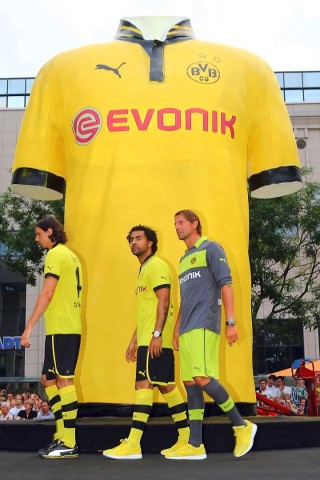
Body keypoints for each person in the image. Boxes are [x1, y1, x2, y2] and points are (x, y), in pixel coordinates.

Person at [11, 15, 301, 411]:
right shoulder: (60, 71)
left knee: (175, 379)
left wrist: (225, 320)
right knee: (157, 381)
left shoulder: (252, 71)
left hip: (201, 319)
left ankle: (230, 423)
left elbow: (272, 178)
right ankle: (183, 432)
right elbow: (39, 179)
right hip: (101, 335)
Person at [166, 210, 257, 460]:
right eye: (174, 224)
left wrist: (231, 321)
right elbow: (185, 300)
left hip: (204, 324)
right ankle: (195, 445)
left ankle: (241, 426)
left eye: (181, 222)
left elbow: (225, 284)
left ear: (195, 224)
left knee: (202, 377)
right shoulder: (184, 259)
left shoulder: (211, 248)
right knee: (190, 385)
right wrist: (176, 329)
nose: (177, 227)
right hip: (186, 329)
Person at [103, 225, 189, 460]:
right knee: (166, 386)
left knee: (144, 385)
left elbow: (165, 301)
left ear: (150, 242)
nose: (133, 242)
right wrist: (134, 339)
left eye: (138, 239)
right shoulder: (143, 270)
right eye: (131, 239)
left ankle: (133, 443)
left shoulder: (157, 266)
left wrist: (157, 335)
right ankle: (186, 438)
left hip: (155, 340)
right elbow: (147, 311)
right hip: (147, 339)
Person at [20, 215, 83, 459]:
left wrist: (29, 327)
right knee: (48, 380)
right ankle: (62, 435)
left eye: (38, 234)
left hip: (63, 329)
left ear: (49, 232)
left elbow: (47, 292)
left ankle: (69, 442)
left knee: (64, 382)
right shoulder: (69, 254)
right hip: (63, 328)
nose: (37, 239)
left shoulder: (56, 254)